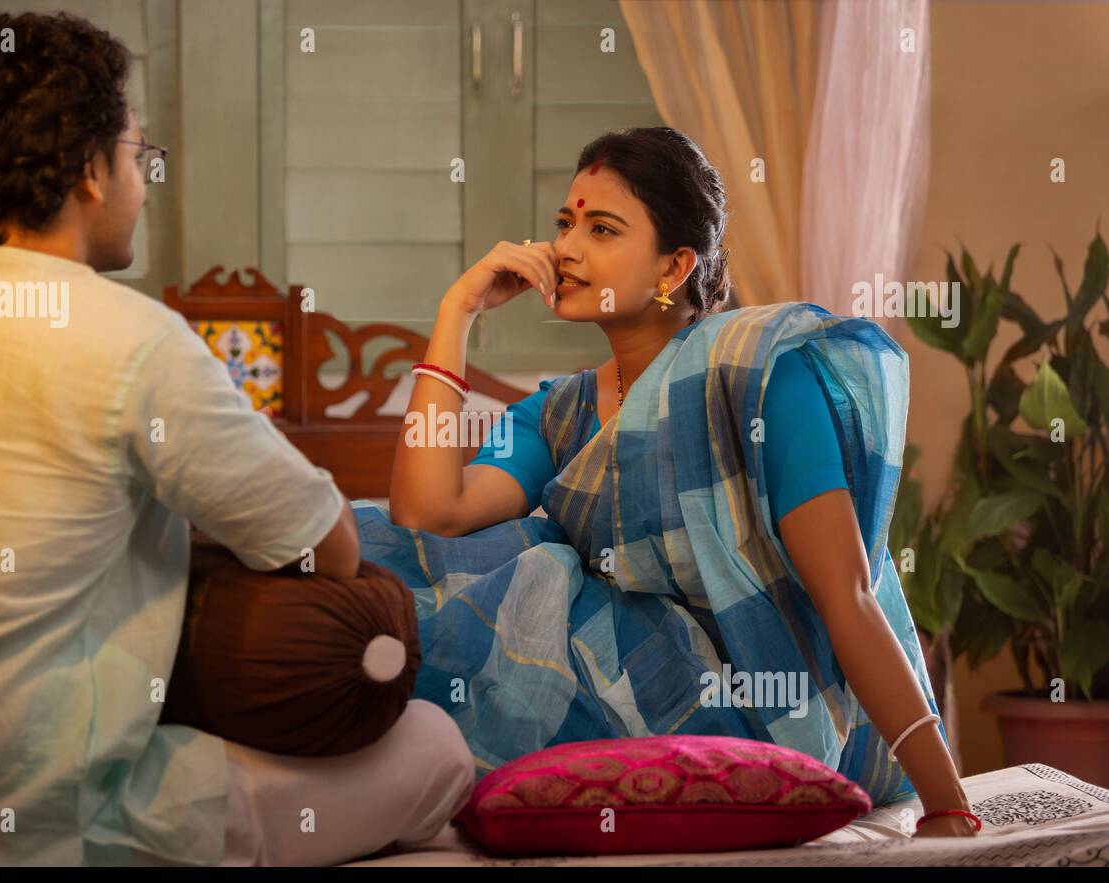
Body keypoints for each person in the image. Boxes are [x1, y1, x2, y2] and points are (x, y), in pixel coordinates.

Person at [0, 11, 473, 866]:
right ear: (89, 168)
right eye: (138, 155)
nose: (145, 182)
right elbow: (330, 547)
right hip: (38, 815)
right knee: (435, 748)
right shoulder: (134, 337)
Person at [359, 127, 979, 837]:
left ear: (674, 265)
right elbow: (426, 515)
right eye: (564, 224)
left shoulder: (758, 375)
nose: (565, 248)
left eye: (601, 228)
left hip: (775, 712)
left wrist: (948, 802)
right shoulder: (560, 414)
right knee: (371, 548)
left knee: (541, 571)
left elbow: (850, 596)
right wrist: (457, 311)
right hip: (622, 698)